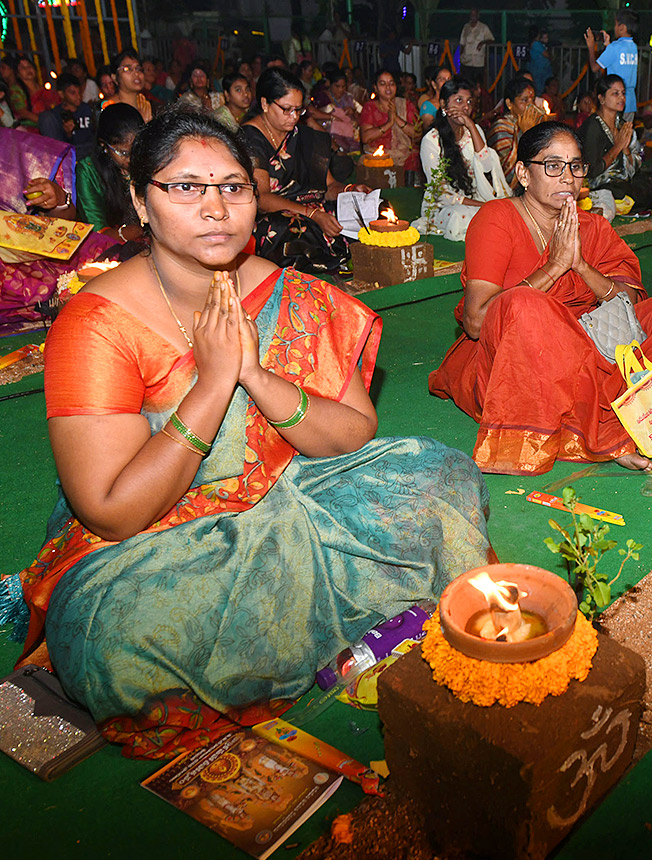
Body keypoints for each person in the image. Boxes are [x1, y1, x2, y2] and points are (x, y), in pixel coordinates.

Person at [13, 106, 491, 758]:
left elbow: (352, 431)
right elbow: (111, 511)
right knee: (119, 647)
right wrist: (212, 386)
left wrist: (256, 376)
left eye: (233, 186)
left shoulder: (288, 292)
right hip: (159, 538)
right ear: (140, 201)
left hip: (292, 488)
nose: (215, 208)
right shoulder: (96, 324)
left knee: (440, 475)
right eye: (185, 187)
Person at [429, 121, 652, 475]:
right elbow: (478, 321)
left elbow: (630, 301)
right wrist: (554, 267)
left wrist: (581, 266)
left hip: (594, 338)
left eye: (576, 166)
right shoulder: (497, 219)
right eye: (552, 165)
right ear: (523, 173)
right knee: (525, 305)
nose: (567, 177)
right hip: (519, 359)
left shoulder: (593, 227)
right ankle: (606, 430)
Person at [241, 67, 352, 277]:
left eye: (298, 110)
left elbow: (328, 186)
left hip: (310, 208)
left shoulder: (301, 136)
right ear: (265, 104)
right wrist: (313, 214)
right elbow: (262, 199)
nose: (294, 117)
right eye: (286, 109)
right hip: (271, 216)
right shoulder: (250, 137)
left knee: (361, 213)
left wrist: (350, 190)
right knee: (296, 229)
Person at [0, 129, 116, 327]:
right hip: (11, 271)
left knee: (102, 248)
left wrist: (58, 200)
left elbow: (65, 222)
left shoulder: (12, 148)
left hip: (38, 247)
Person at [415, 78, 511, 241]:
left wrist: (471, 126)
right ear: (444, 105)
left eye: (469, 102)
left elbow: (487, 166)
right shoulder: (431, 141)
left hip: (476, 198)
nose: (465, 107)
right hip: (445, 206)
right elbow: (441, 192)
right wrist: (483, 207)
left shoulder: (474, 131)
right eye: (459, 100)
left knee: (506, 210)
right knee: (459, 216)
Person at [580, 75, 652, 214]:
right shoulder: (592, 126)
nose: (621, 98)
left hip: (623, 180)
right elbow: (592, 171)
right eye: (615, 93)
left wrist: (625, 149)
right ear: (601, 98)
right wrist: (617, 147)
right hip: (601, 184)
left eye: (623, 93)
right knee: (627, 192)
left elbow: (635, 167)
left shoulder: (622, 124)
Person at [75, 102, 143, 240]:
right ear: (104, 145)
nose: (131, 159)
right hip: (110, 248)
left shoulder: (149, 159)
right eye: (123, 153)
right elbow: (96, 232)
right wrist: (136, 231)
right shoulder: (88, 171)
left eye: (137, 150)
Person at [488, 78, 547, 188]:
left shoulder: (534, 124)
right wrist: (525, 133)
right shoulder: (501, 128)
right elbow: (507, 173)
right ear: (509, 103)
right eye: (524, 100)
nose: (531, 106)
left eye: (532, 100)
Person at [360, 67, 420, 173]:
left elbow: (417, 134)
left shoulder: (406, 104)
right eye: (382, 84)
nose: (388, 87)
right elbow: (365, 138)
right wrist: (389, 124)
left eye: (391, 83)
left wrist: (396, 118)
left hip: (405, 157)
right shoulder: (370, 107)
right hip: (378, 157)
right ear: (376, 88)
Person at [585, 11, 638, 116]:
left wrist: (591, 47)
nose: (614, 28)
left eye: (615, 24)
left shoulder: (614, 47)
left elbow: (595, 67)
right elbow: (617, 61)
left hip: (615, 101)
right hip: (630, 101)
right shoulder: (633, 46)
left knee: (613, 131)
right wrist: (608, 46)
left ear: (622, 27)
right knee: (625, 132)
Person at [38, 73, 97, 160]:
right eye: (73, 93)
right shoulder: (56, 116)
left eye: (79, 92)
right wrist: (68, 134)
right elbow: (59, 146)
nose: (78, 96)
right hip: (71, 156)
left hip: (90, 151)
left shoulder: (87, 109)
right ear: (61, 94)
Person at [310, 68, 362, 153]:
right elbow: (311, 113)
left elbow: (361, 116)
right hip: (327, 138)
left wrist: (352, 112)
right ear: (330, 84)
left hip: (349, 138)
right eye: (337, 86)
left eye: (343, 87)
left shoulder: (348, 98)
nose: (340, 90)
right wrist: (332, 117)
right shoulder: (322, 97)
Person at [104, 50, 155, 122]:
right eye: (128, 69)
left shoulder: (145, 104)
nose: (136, 73)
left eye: (138, 69)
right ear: (115, 78)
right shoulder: (109, 107)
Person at [458, 9, 495, 88]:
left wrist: (482, 43)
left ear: (478, 16)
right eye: (472, 14)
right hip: (466, 61)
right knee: (466, 84)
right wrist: (459, 59)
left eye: (475, 14)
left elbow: (491, 40)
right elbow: (462, 43)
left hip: (478, 62)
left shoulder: (483, 27)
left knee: (478, 85)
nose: (473, 16)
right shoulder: (466, 27)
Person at [4, 53, 39, 129]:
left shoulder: (42, 88)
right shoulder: (16, 90)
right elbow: (23, 113)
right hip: (30, 128)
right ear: (18, 73)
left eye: (29, 66)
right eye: (23, 68)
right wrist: (44, 122)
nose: (27, 69)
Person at [417, 64, 452, 131]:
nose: (446, 82)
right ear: (434, 84)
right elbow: (429, 132)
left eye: (449, 79)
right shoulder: (428, 106)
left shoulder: (455, 102)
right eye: (442, 79)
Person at [529, 28, 553, 94]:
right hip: (540, 70)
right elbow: (546, 54)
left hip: (540, 69)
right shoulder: (537, 44)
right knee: (540, 87)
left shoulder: (534, 44)